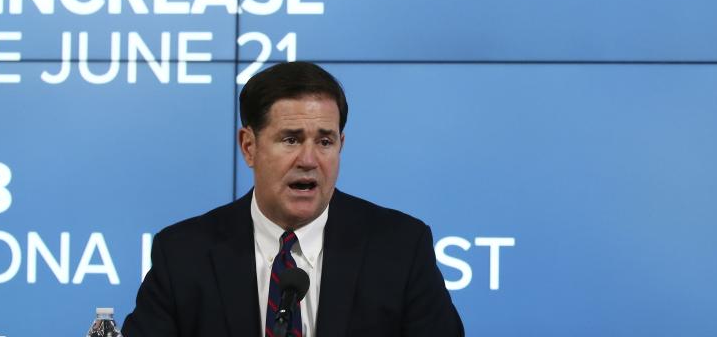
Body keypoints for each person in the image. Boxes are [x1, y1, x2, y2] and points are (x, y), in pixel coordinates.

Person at [122, 61, 464, 337]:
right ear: (249, 146)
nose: (309, 160)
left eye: (325, 142)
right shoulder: (184, 254)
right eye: (290, 139)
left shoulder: (400, 247)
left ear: (341, 145)